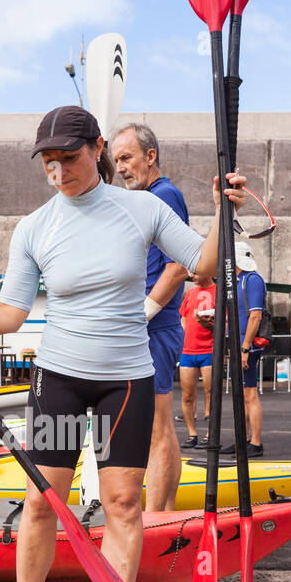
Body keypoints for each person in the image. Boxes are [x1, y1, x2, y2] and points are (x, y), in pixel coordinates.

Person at [0, 105, 247, 582]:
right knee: (44, 500)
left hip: (126, 382)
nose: (59, 173)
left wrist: (221, 216)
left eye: (69, 159)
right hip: (59, 383)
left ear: (98, 150)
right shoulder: (35, 227)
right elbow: (11, 311)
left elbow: (202, 267)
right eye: (49, 163)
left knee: (122, 503)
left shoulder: (142, 210)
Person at [111, 122, 193, 510]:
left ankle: (158, 519)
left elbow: (179, 265)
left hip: (154, 329)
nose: (121, 167)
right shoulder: (144, 199)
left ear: (150, 156)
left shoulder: (164, 195)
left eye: (126, 157)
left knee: (159, 429)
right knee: (147, 429)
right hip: (143, 328)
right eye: (115, 160)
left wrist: (141, 314)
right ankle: (153, 513)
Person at [218, 242, 265, 458]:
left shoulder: (252, 280)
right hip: (239, 344)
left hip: (247, 345)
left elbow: (256, 315)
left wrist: (246, 347)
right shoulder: (238, 281)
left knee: (249, 394)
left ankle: (255, 442)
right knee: (241, 394)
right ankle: (243, 440)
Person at [178, 275, 216, 446]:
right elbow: (184, 318)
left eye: (196, 272)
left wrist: (206, 323)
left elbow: (224, 324)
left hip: (209, 349)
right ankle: (192, 434)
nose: (192, 276)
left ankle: (210, 434)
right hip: (188, 350)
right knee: (187, 396)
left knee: (211, 393)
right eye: (191, 272)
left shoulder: (218, 292)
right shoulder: (190, 293)